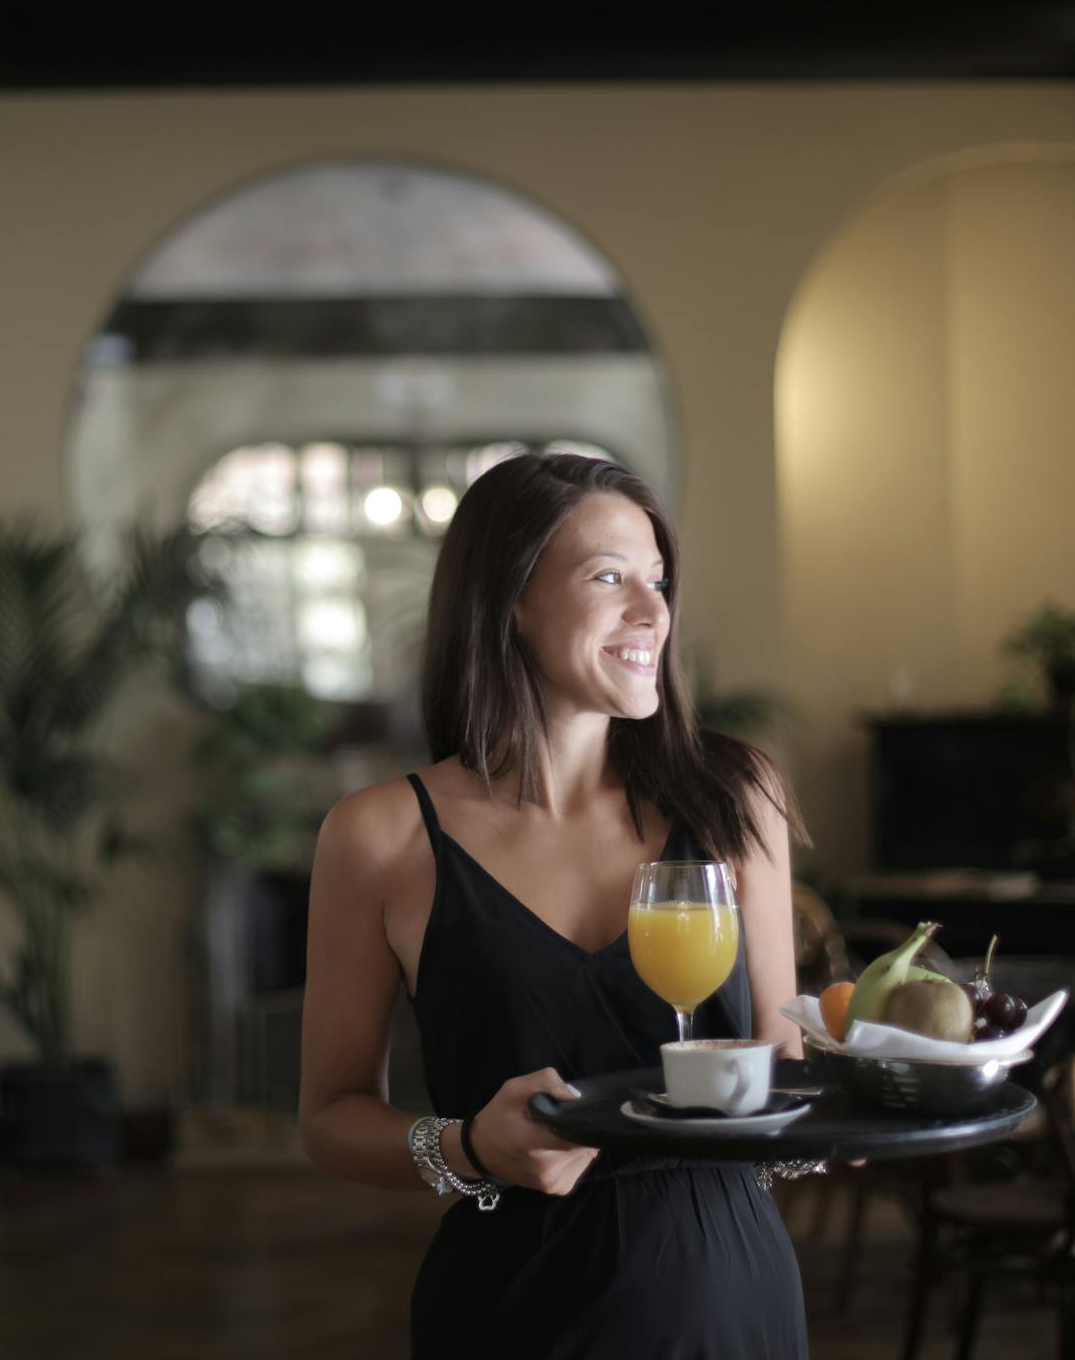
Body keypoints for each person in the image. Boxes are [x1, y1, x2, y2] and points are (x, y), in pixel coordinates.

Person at [298, 452, 813, 1358]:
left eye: (658, 580)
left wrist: (845, 1107)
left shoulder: (734, 798)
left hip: (725, 1292)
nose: (653, 611)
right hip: (509, 1308)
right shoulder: (380, 836)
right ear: (509, 603)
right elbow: (331, 1116)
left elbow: (782, 1066)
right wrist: (467, 1150)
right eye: (608, 577)